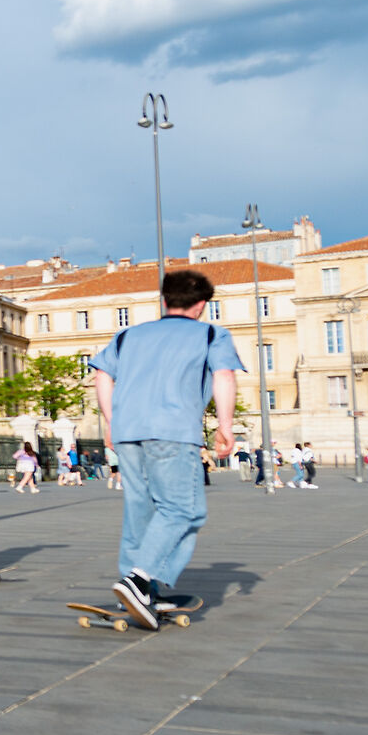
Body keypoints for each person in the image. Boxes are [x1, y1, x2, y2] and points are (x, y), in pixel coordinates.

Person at [89, 267, 239, 629]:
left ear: (164, 299)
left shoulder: (128, 335)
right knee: (184, 510)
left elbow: (102, 375)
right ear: (201, 305)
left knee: (140, 510)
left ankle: (140, 588)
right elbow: (224, 375)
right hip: (172, 431)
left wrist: (110, 421)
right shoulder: (211, 334)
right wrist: (225, 426)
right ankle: (140, 580)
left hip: (127, 432)